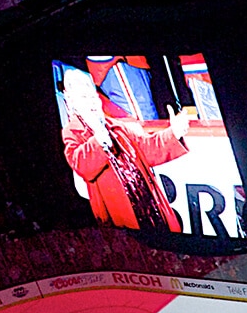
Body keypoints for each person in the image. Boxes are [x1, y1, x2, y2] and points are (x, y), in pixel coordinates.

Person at [59, 66, 195, 233]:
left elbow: (148, 148)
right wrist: (99, 140)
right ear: (71, 102)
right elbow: (81, 164)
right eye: (84, 97)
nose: (91, 102)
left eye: (93, 96)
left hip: (148, 205)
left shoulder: (117, 126)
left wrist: (174, 132)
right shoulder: (72, 131)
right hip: (121, 216)